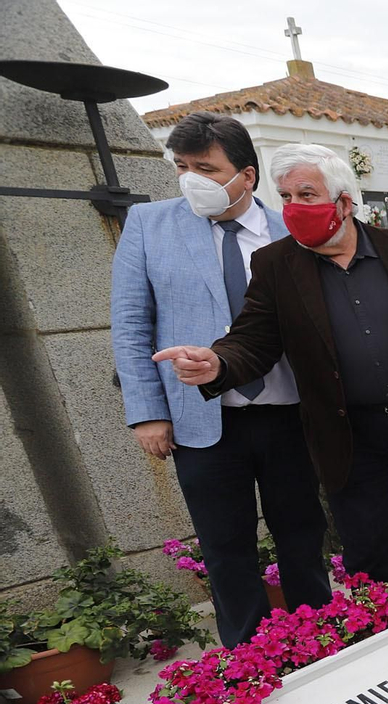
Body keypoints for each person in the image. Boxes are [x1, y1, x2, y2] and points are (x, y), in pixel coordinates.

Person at [151, 143, 388, 585]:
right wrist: (217, 363)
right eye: (286, 197)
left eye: (306, 195)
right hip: (348, 431)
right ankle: (385, 636)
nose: (293, 207)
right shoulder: (275, 265)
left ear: (344, 203)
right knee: (368, 551)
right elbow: (254, 337)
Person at [111, 112, 330, 646]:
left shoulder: (291, 230)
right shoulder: (148, 224)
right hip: (201, 421)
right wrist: (148, 412)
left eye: (206, 168)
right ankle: (250, 657)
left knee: (303, 535)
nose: (191, 179)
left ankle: (322, 637)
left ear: (247, 175)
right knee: (225, 546)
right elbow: (131, 323)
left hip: (290, 414)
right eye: (182, 167)